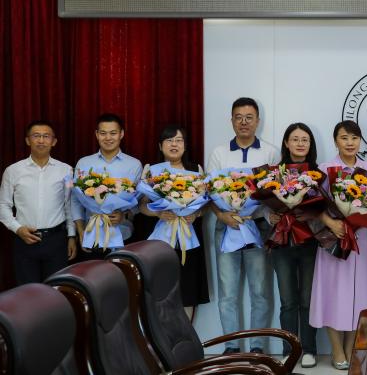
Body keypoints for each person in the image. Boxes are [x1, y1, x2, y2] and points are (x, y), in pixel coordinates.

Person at [207, 97, 280, 355]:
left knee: (260, 291)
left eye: (249, 117)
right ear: (231, 121)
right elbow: (210, 191)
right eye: (238, 117)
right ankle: (231, 348)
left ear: (258, 121)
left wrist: (269, 215)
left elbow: (275, 191)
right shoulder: (219, 153)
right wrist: (221, 215)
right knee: (228, 293)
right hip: (227, 227)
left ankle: (257, 347)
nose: (244, 122)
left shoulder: (270, 152)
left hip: (257, 226)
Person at [311, 121, 367, 372]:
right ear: (335, 141)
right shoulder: (324, 169)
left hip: (361, 239)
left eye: (354, 138)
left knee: (359, 294)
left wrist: (362, 219)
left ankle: (351, 346)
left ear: (360, 141)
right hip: (334, 238)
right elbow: (313, 206)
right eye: (344, 138)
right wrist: (332, 223)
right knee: (333, 293)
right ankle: (336, 349)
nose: (350, 143)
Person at [134, 124, 210, 318]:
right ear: (160, 146)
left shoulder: (196, 169)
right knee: (162, 286)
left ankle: (185, 332)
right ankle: (163, 333)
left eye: (179, 140)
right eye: (169, 140)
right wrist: (158, 214)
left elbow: (205, 205)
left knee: (188, 287)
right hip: (160, 237)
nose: (174, 144)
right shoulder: (151, 170)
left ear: (185, 145)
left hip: (188, 237)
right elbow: (141, 206)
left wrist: (195, 214)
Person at [269, 123, 320, 368]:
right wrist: (270, 216)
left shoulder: (318, 174)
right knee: (288, 300)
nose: (300, 144)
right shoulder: (273, 174)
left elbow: (324, 208)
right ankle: (289, 351)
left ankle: (309, 349)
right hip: (282, 241)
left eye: (305, 140)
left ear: (310, 145)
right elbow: (263, 202)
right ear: (286, 143)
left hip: (310, 241)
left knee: (308, 300)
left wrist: (311, 214)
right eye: (295, 139)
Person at [0, 121, 76, 285]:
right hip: (24, 239)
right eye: (36, 136)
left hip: (56, 240)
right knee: (28, 291)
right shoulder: (13, 171)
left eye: (46, 136)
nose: (41, 140)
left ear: (54, 141)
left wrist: (71, 236)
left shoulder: (66, 170)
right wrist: (17, 229)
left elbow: (69, 204)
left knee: (56, 290)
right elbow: (3, 205)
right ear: (28, 140)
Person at [71, 113, 142, 261]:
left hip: (123, 236)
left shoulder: (134, 164)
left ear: (121, 134)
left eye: (113, 133)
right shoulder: (84, 163)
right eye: (103, 133)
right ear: (97, 134)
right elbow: (76, 200)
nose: (108, 138)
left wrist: (124, 215)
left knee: (122, 276)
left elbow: (139, 200)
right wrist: (80, 230)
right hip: (91, 236)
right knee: (92, 275)